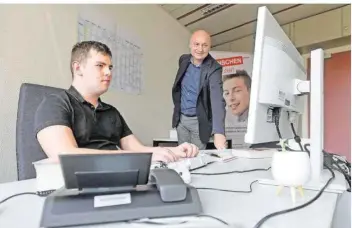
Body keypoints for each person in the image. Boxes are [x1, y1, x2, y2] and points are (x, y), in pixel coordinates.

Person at [34, 41, 199, 163]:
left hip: (118, 173)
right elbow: (63, 155)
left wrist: (173, 150)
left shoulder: (111, 112)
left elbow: (137, 149)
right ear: (78, 68)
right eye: (100, 65)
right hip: (82, 183)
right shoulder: (56, 103)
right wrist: (135, 157)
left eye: (110, 67)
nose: (108, 72)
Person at [171, 30, 227, 150]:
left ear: (209, 47)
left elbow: (217, 100)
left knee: (197, 159)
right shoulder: (183, 60)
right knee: (182, 156)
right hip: (181, 121)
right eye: (196, 44)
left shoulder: (214, 68)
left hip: (199, 122)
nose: (200, 49)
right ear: (190, 45)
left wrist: (219, 132)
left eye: (204, 45)